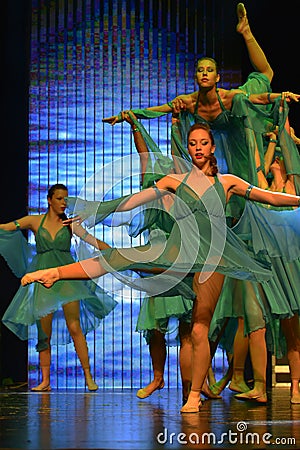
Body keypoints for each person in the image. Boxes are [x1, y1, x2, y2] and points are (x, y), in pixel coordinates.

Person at [20, 124, 300, 414]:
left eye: (204, 143)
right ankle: (55, 273)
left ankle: (194, 395)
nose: (199, 148)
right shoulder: (174, 181)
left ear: (212, 148)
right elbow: (132, 201)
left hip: (212, 259)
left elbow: (269, 198)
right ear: (188, 148)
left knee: (200, 328)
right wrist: (97, 209)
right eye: (193, 143)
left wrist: (299, 200)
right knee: (120, 256)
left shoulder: (227, 182)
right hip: (178, 252)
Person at [102, 3, 300, 220]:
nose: (205, 73)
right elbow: (157, 110)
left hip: (235, 131)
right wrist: (127, 115)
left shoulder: (228, 97)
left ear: (217, 77)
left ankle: (246, 32)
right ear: (195, 77)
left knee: (265, 74)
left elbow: (258, 98)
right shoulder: (188, 102)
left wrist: (279, 96)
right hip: (210, 135)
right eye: (200, 70)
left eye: (210, 70)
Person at [0, 183, 117, 391]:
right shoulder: (35, 221)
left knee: (74, 327)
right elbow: (6, 228)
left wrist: (119, 255)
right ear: (49, 200)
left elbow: (92, 240)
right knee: (44, 332)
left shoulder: (69, 224)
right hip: (43, 277)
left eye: (65, 199)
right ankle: (45, 381)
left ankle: (89, 377)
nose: (64, 203)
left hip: (66, 279)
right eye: (59, 199)